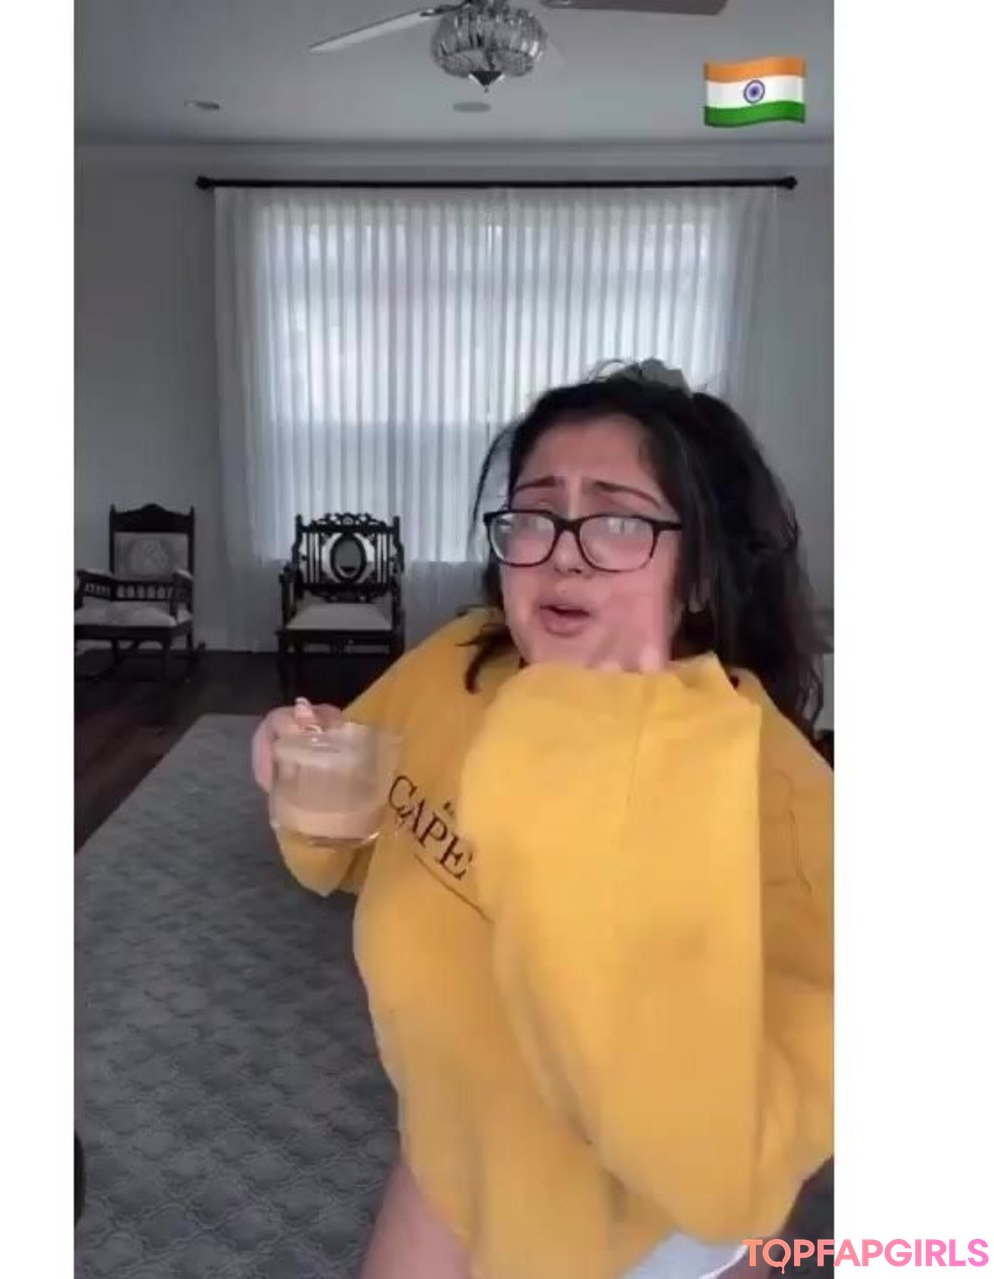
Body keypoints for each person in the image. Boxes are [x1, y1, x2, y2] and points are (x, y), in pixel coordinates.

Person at [251, 361, 833, 1279]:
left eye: (617, 518)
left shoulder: (784, 799)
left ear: (697, 571)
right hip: (450, 1150)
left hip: (641, 1239)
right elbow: (352, 848)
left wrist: (579, 744)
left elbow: (727, 1167)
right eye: (534, 514)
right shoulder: (458, 664)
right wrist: (301, 770)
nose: (563, 551)